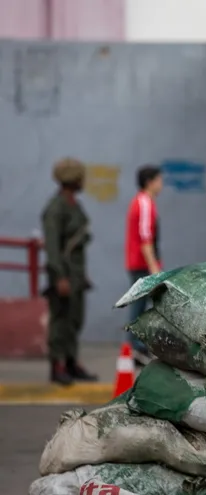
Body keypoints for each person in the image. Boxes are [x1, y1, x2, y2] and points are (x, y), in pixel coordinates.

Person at [41, 158, 98, 385]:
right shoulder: (56, 208)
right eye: (80, 178)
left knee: (74, 319)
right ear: (73, 180)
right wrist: (59, 277)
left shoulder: (74, 205)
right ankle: (57, 365)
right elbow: (53, 247)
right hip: (63, 275)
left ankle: (72, 362)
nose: (83, 181)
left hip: (76, 275)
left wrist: (81, 275)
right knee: (60, 321)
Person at [124, 165, 163, 365]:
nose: (161, 184)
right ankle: (135, 347)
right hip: (142, 264)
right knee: (139, 307)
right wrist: (154, 268)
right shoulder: (145, 203)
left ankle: (138, 347)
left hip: (140, 263)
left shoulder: (142, 201)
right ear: (149, 182)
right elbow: (145, 238)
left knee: (141, 305)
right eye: (159, 180)